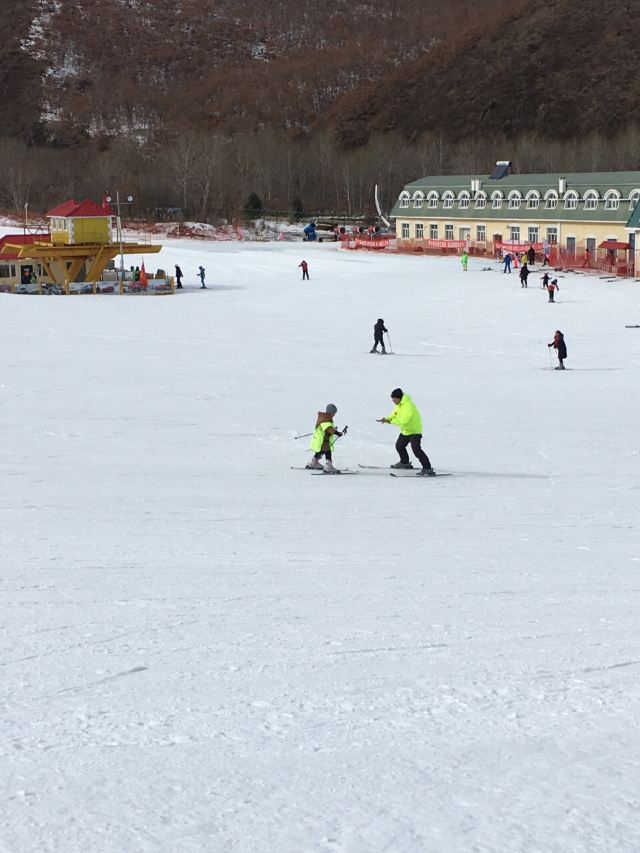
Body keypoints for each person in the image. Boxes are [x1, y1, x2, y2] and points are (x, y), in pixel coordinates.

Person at [377, 388, 435, 476]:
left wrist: (390, 422)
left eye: (394, 399)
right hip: (406, 430)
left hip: (414, 431)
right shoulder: (399, 405)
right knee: (399, 446)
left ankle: (427, 468)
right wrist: (387, 419)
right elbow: (394, 414)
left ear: (399, 398)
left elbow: (404, 421)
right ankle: (404, 463)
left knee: (416, 450)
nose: (393, 400)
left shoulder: (408, 406)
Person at [306, 404, 344, 473]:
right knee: (327, 451)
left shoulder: (323, 418)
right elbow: (329, 429)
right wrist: (337, 433)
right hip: (324, 440)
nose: (334, 415)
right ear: (330, 413)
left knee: (322, 451)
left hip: (322, 439)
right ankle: (328, 467)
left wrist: (333, 430)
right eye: (334, 413)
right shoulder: (326, 420)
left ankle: (313, 463)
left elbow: (326, 428)